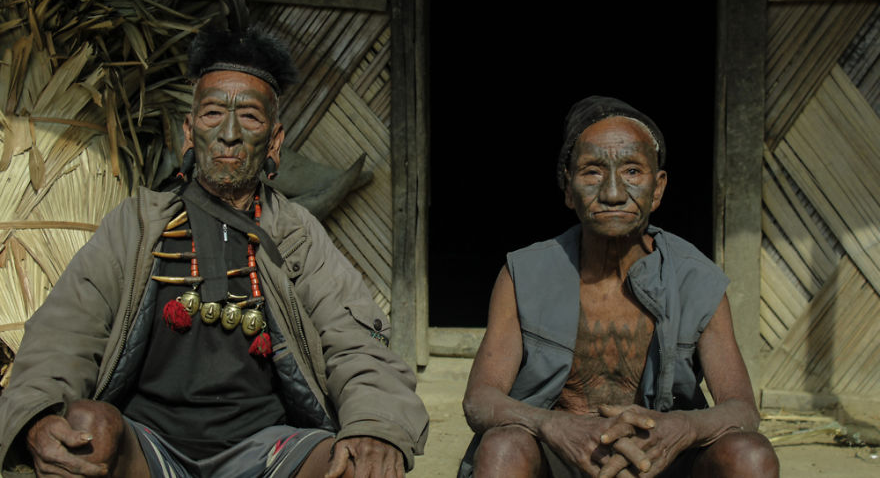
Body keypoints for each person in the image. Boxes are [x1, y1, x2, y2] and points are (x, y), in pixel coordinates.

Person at [0, 25, 428, 477]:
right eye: (211, 114)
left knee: (358, 464)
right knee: (87, 428)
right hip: (147, 449)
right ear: (189, 132)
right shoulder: (136, 225)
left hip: (268, 449)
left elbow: (356, 344)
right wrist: (36, 413)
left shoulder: (296, 235)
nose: (229, 133)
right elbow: (67, 331)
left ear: (274, 141)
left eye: (250, 117)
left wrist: (376, 425)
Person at [459, 96, 779, 477]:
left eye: (632, 171)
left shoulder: (695, 280)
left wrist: (681, 427)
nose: (613, 193)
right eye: (593, 172)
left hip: (662, 458)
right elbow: (480, 399)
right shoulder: (525, 274)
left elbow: (742, 409)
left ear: (657, 188)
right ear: (567, 188)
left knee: (750, 456)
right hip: (561, 456)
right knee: (503, 448)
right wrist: (553, 425)